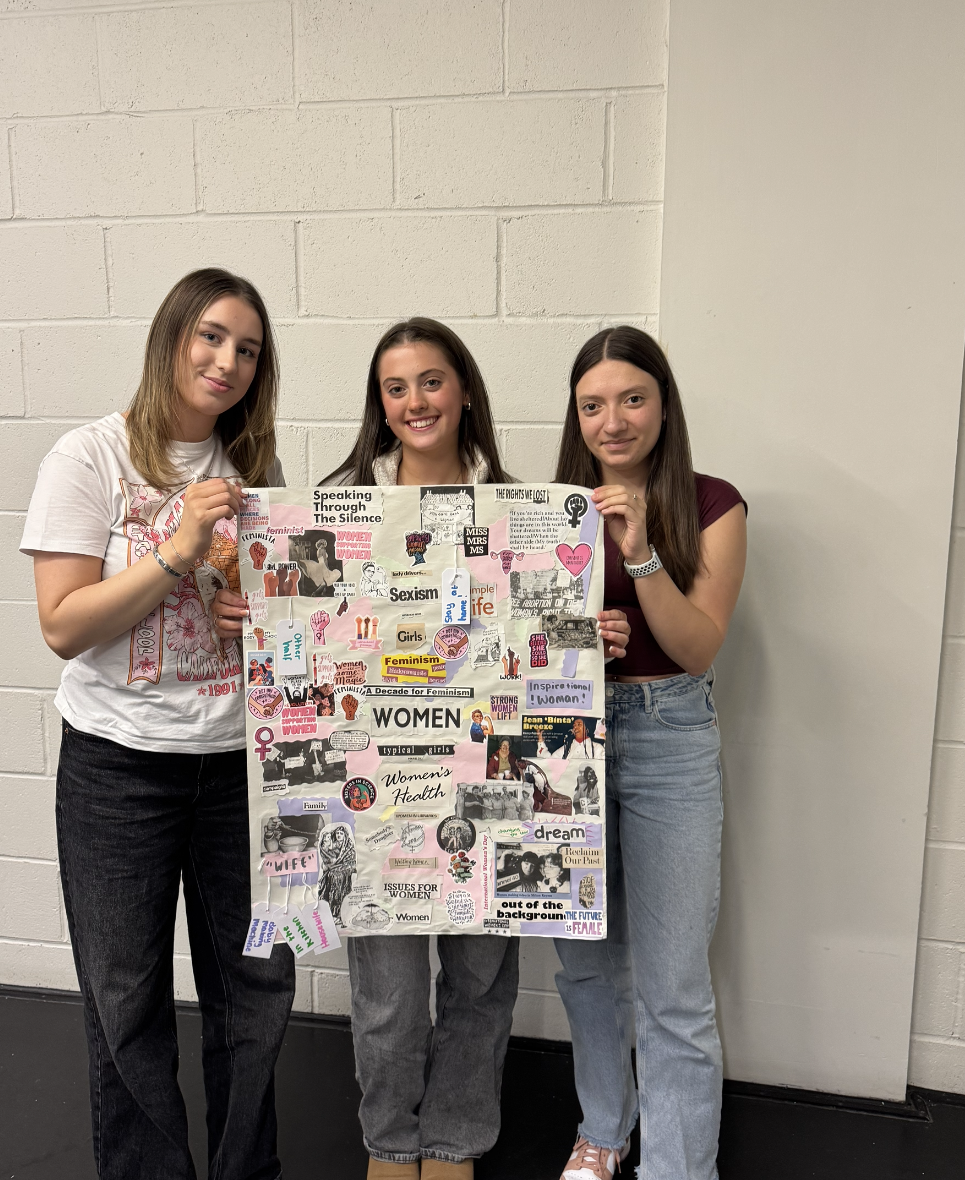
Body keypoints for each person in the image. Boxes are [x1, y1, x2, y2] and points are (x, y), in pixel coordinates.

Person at [321, 317, 631, 1180]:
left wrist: (586, 631)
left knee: (479, 983)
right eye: (396, 387)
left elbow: (544, 637)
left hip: (492, 784)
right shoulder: (340, 503)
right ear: (379, 406)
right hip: (377, 787)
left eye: (430, 381)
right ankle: (389, 1139)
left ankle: (455, 1137)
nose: (415, 401)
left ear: (462, 390)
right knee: (385, 995)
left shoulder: (528, 513)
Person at [21, 268, 293, 1180]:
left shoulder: (255, 471)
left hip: (235, 767)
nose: (227, 362)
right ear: (171, 336)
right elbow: (64, 625)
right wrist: (176, 556)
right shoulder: (88, 458)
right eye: (211, 336)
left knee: (255, 993)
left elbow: (276, 621)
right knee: (124, 1000)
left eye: (247, 349)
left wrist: (255, 619)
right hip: (117, 770)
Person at [551, 327, 747, 1180]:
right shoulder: (549, 508)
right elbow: (501, 648)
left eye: (632, 399)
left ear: (663, 404)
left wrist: (639, 556)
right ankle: (603, 1130)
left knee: (673, 988)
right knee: (584, 964)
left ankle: (678, 1166)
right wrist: (571, 635)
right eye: (592, 405)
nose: (613, 421)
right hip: (564, 740)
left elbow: (696, 647)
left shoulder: (713, 503)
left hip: (668, 734)